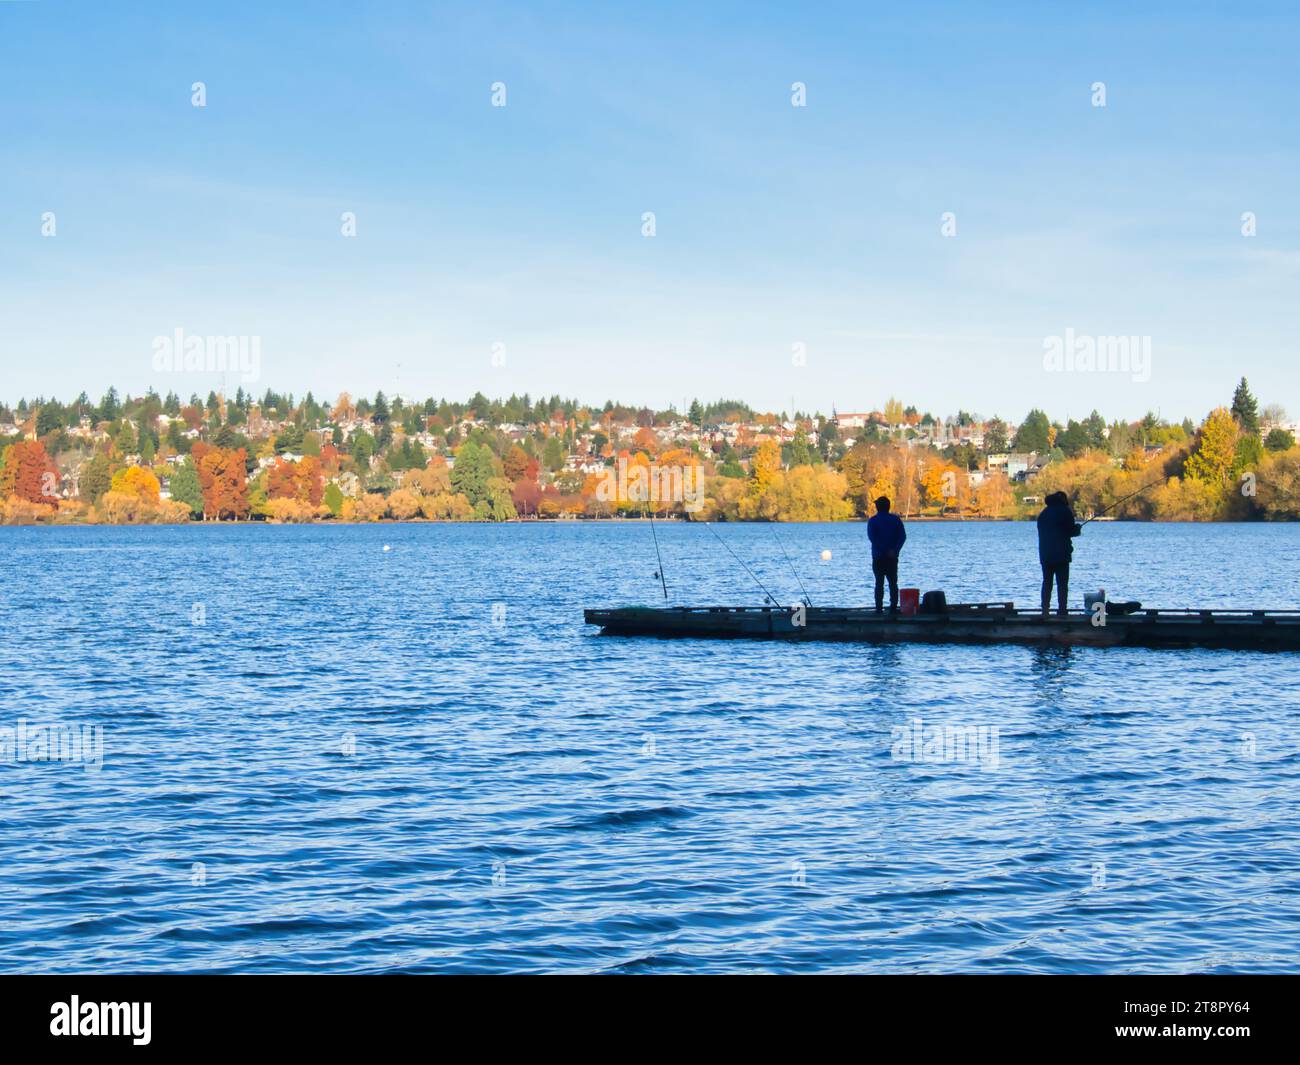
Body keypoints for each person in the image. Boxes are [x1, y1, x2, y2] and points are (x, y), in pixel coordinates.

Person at [1037, 491, 1081, 616]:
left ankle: (1045, 610)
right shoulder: (1065, 511)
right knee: (1062, 584)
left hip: (1045, 555)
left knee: (1047, 582)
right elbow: (1069, 531)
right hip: (1062, 554)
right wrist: (1077, 529)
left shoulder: (1043, 514)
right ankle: (1062, 610)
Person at [867, 495, 906, 613]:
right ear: (888, 507)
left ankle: (879, 609)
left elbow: (872, 538)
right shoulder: (896, 520)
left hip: (878, 557)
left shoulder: (873, 521)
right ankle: (893, 607)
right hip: (892, 558)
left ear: (877, 507)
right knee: (893, 583)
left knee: (879, 583)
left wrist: (884, 550)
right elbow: (902, 537)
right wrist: (894, 550)